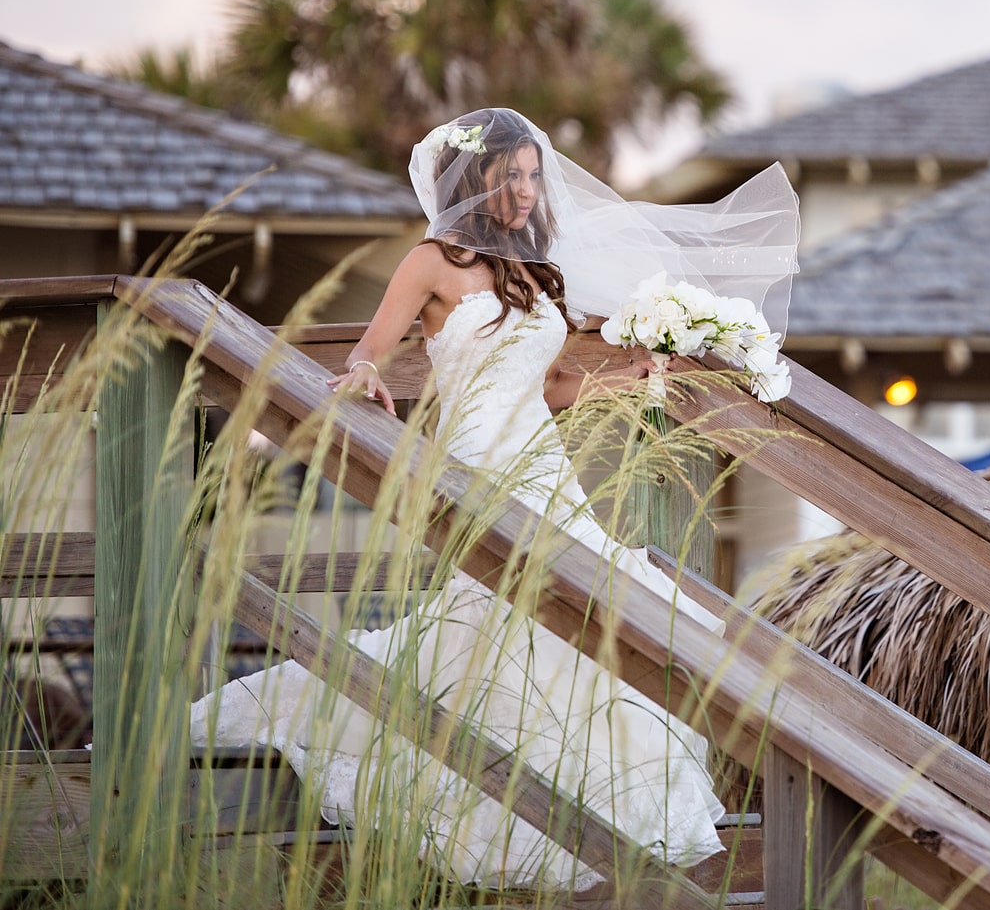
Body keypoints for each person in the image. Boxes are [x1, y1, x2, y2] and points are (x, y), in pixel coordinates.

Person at [189, 108, 799, 895]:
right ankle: (484, 792)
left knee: (588, 612)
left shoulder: (532, 269)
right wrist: (366, 376)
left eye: (533, 173)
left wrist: (642, 377)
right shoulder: (431, 260)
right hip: (478, 460)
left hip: (542, 458)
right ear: (474, 180)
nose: (524, 187)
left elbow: (551, 383)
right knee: (502, 615)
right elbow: (369, 352)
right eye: (509, 174)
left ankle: (582, 805)